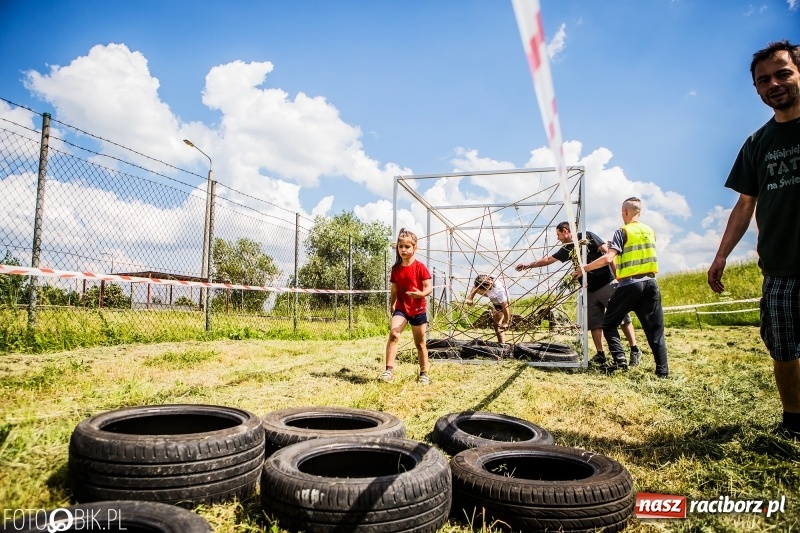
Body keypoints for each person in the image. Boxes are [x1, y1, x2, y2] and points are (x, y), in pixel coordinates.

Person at [708, 40, 800, 439]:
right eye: (764, 80)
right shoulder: (757, 143)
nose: (773, 84)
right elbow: (745, 205)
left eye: (783, 74)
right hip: (780, 266)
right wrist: (720, 256)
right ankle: (794, 422)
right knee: (783, 348)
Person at [515, 221, 641, 366]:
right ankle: (600, 354)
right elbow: (549, 259)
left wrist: (618, 278)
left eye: (558, 234)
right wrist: (528, 265)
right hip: (590, 289)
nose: (558, 238)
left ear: (565, 231)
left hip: (607, 283)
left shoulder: (587, 237)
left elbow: (608, 253)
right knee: (595, 323)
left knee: (623, 318)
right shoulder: (568, 248)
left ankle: (634, 349)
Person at [575, 198, 668, 377]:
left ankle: (620, 361)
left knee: (609, 324)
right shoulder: (650, 231)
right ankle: (662, 372)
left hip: (630, 284)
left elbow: (609, 258)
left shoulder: (622, 231)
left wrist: (584, 268)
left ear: (625, 212)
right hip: (650, 283)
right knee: (655, 330)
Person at [383, 228, 433, 385]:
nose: (403, 250)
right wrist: (392, 305)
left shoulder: (420, 267)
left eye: (407, 247)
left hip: (418, 310)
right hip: (402, 308)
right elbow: (394, 289)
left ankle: (424, 373)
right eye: (400, 247)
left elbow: (428, 287)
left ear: (415, 248)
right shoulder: (396, 269)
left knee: (420, 343)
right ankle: (389, 370)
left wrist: (422, 294)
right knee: (394, 334)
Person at [465, 274, 511, 343]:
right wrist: (470, 298)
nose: (484, 290)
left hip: (499, 304)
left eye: (485, 288)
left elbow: (505, 307)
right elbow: (475, 286)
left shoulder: (499, 292)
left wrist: (506, 322)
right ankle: (501, 343)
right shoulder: (487, 278)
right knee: (477, 286)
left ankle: (502, 345)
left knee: (498, 326)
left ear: (490, 283)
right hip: (492, 295)